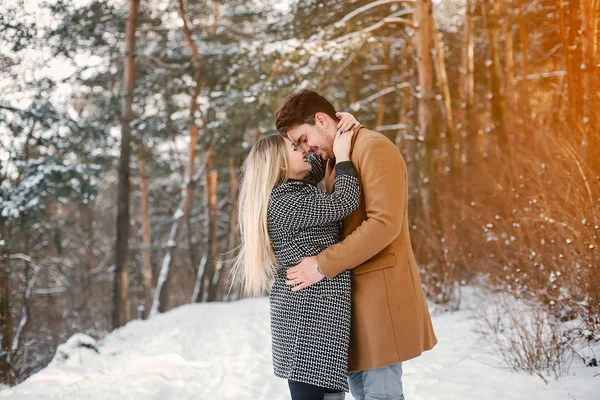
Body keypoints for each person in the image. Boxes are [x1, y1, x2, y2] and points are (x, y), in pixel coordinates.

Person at [276, 89, 438, 400]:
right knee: (364, 394)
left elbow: (383, 224)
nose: (305, 149)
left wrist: (321, 265)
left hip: (380, 294)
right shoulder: (337, 155)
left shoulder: (373, 148)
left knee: (382, 395)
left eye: (303, 138)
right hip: (353, 297)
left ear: (321, 120)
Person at [231, 112, 362, 400]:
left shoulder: (293, 188)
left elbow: (315, 165)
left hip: (319, 319)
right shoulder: (285, 201)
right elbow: (346, 200)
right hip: (307, 324)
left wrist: (336, 130)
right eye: (295, 148)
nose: (304, 150)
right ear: (280, 165)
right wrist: (342, 156)